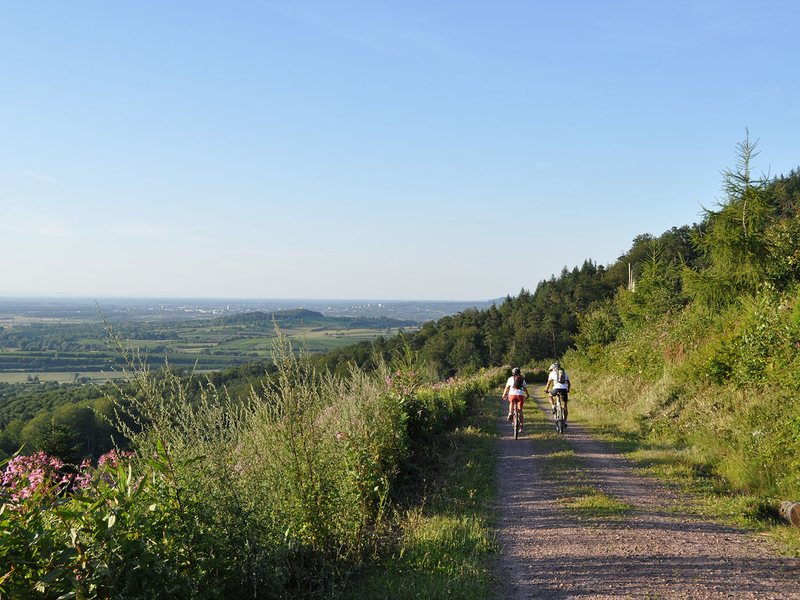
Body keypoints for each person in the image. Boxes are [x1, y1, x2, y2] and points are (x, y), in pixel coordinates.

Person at [544, 362, 571, 427]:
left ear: (554, 368)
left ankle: (553, 406)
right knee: (565, 406)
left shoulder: (552, 373)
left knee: (550, 396)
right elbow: (568, 383)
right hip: (564, 389)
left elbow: (548, 383)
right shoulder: (565, 373)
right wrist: (568, 389)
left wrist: (546, 390)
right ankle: (565, 421)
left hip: (556, 389)